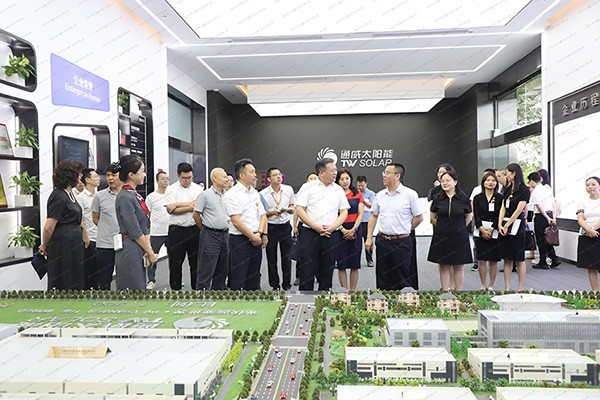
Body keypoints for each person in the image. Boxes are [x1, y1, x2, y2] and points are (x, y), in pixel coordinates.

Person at [366, 163, 423, 290]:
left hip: (401, 243)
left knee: (402, 278)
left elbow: (419, 217)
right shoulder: (380, 195)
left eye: (387, 173)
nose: (384, 176)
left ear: (397, 176)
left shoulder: (410, 194)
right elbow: (374, 215)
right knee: (382, 279)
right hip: (382, 241)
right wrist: (369, 237)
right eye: (384, 173)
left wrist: (406, 229)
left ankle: (403, 302)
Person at [296, 158, 349, 291]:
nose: (335, 173)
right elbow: (300, 209)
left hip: (331, 234)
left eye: (335, 170)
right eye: (332, 170)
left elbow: (344, 212)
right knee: (307, 271)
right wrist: (315, 226)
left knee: (327, 271)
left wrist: (332, 227)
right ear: (321, 172)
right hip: (310, 234)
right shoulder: (308, 187)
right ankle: (305, 301)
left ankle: (323, 299)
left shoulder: (338, 189)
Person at [39, 159, 86, 290]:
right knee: (65, 278)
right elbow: (49, 227)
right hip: (63, 244)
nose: (81, 176)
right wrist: (44, 245)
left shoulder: (69, 194)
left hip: (73, 243)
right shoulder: (58, 196)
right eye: (79, 173)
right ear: (70, 175)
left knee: (74, 276)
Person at [114, 155, 158, 290]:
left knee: (139, 285)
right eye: (142, 171)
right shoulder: (125, 197)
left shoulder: (133, 195)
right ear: (131, 175)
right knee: (132, 287)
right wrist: (150, 252)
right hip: (130, 247)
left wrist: (147, 249)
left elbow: (143, 225)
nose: (144, 174)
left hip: (137, 246)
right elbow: (134, 230)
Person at [223, 158, 268, 290]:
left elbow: (262, 215)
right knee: (239, 277)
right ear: (242, 175)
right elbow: (236, 221)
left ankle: (253, 301)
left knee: (254, 277)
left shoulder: (254, 193)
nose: (255, 175)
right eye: (252, 172)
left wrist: (259, 234)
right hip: (239, 240)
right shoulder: (232, 194)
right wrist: (253, 236)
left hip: (256, 238)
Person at [428, 171, 473, 291]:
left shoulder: (463, 198)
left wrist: (458, 228)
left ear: (455, 182)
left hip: (459, 237)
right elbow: (433, 217)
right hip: (441, 236)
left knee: (458, 266)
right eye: (442, 181)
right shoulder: (438, 198)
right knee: (444, 266)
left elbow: (468, 217)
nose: (445, 183)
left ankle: (459, 293)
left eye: (448, 180)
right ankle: (445, 291)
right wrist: (443, 227)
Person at [164, 162, 204, 290]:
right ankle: (176, 290)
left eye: (189, 177)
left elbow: (198, 207)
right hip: (177, 230)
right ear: (178, 176)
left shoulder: (198, 189)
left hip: (194, 229)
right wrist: (190, 206)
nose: (187, 180)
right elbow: (171, 210)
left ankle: (196, 290)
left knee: (196, 262)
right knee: (175, 262)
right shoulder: (171, 189)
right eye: (184, 178)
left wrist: (177, 204)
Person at [193, 168, 231, 290]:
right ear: (214, 178)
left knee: (223, 267)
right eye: (224, 177)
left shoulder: (227, 195)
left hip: (225, 235)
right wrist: (204, 228)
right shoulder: (205, 195)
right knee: (206, 268)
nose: (226, 179)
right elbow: (196, 215)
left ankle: (217, 293)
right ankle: (201, 294)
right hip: (210, 234)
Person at [260, 167, 295, 291]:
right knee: (271, 258)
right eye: (275, 175)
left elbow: (292, 205)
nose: (279, 177)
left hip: (285, 225)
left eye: (280, 174)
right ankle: (274, 285)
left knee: (287, 257)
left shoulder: (288, 189)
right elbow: (262, 214)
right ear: (269, 179)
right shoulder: (263, 194)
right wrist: (273, 212)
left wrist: (290, 210)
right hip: (271, 227)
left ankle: (286, 284)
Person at [498, 163, 530, 292]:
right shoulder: (507, 189)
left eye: (507, 173)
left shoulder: (524, 190)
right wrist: (500, 223)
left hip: (517, 226)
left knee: (519, 259)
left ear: (514, 173)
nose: (506, 176)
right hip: (505, 225)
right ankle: (507, 287)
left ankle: (520, 287)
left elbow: (518, 210)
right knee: (507, 258)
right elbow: (503, 207)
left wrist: (507, 225)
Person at [92, 163, 122, 290]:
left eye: (113, 175)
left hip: (124, 244)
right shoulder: (99, 196)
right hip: (105, 244)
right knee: (104, 280)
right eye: (108, 175)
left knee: (124, 277)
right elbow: (95, 218)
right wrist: (107, 228)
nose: (110, 178)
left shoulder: (128, 195)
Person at [472, 171, 502, 290]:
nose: (490, 183)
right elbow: (476, 215)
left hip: (494, 231)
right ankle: (483, 284)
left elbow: (499, 214)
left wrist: (491, 229)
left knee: (493, 260)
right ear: (483, 183)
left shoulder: (499, 198)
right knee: (481, 259)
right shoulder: (477, 198)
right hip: (480, 230)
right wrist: (482, 229)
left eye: (493, 180)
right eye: (488, 180)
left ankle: (491, 285)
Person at [335, 169, 364, 291]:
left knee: (354, 265)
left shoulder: (357, 193)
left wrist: (353, 229)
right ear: (338, 181)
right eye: (342, 179)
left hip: (355, 230)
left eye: (347, 178)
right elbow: (333, 214)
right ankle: (344, 292)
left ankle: (352, 292)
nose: (345, 181)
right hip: (339, 230)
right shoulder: (335, 194)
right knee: (341, 265)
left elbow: (360, 214)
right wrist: (342, 229)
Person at [292, 171, 319, 286]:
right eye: (310, 178)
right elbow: (297, 211)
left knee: (318, 253)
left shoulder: (321, 193)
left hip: (318, 227)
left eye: (315, 178)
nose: (312, 180)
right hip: (303, 227)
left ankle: (318, 275)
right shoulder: (302, 192)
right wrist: (294, 226)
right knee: (302, 253)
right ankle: (299, 276)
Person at [528, 172, 560, 269]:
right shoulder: (547, 189)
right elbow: (553, 204)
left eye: (529, 181)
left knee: (541, 240)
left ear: (532, 181)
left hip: (541, 216)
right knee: (547, 239)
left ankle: (543, 262)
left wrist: (547, 218)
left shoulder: (535, 191)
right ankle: (554, 259)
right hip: (550, 214)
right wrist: (553, 217)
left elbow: (539, 206)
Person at [145, 171, 170, 289]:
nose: (165, 181)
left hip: (171, 231)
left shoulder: (172, 195)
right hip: (156, 232)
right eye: (163, 179)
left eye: (167, 179)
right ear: (157, 181)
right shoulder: (151, 197)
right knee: (152, 256)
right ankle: (151, 280)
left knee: (175, 257)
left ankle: (175, 280)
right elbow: (146, 214)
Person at [76, 168, 101, 289]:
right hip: (89, 240)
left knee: (99, 272)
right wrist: (85, 236)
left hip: (101, 239)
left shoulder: (99, 196)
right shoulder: (81, 198)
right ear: (87, 180)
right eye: (95, 177)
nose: (99, 178)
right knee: (88, 272)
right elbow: (79, 219)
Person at [576, 177, 600, 291]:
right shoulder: (582, 201)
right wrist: (588, 230)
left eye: (593, 184)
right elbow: (580, 219)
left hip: (596, 230)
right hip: (586, 233)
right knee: (591, 266)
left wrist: (593, 229)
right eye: (587, 185)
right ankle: (596, 293)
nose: (590, 187)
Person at [356, 175, 376, 267]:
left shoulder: (371, 193)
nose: (360, 187)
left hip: (367, 221)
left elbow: (372, 206)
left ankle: (369, 259)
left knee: (368, 241)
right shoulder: (355, 192)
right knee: (356, 242)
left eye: (362, 186)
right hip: (357, 221)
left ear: (366, 184)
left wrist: (362, 199)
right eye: (359, 185)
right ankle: (356, 260)